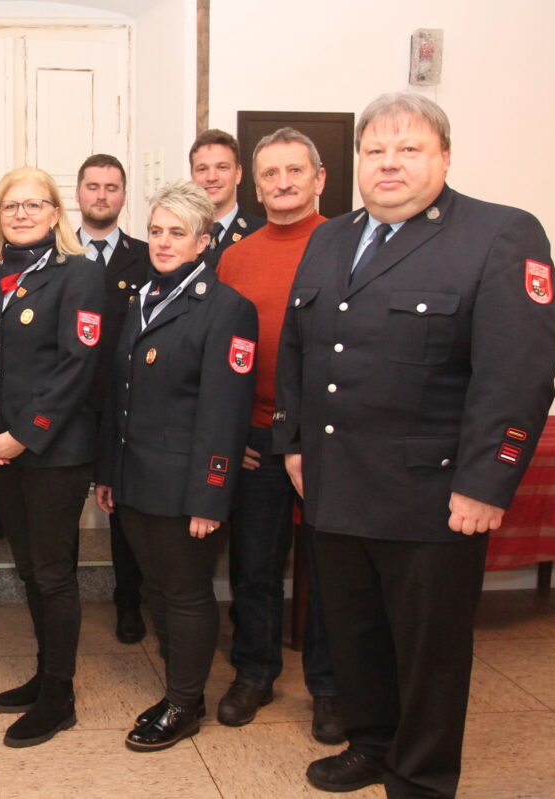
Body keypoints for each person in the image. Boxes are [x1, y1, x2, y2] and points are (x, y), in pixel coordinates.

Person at [273, 93, 555, 797]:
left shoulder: (498, 235)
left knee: (429, 652)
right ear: (358, 163)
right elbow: (300, 350)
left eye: (409, 148)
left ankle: (422, 773)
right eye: (375, 150)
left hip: (433, 496)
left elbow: (517, 377)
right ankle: (372, 743)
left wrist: (487, 482)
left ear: (445, 156)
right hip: (337, 486)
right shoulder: (331, 236)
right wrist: (293, 442)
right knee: (355, 635)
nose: (389, 164)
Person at [95, 181, 257, 751]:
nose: (163, 243)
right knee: (159, 593)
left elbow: (226, 414)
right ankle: (179, 690)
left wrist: (210, 498)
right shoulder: (143, 295)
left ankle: (185, 704)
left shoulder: (227, 309)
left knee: (185, 594)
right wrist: (109, 473)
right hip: (135, 481)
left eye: (177, 234)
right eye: (157, 231)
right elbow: (123, 395)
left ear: (203, 242)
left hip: (184, 487)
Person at [0, 166, 104, 748]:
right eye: (10, 206)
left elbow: (78, 365)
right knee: (27, 569)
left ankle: (60, 696)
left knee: (52, 573)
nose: (21, 214)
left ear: (54, 213)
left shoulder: (80, 275)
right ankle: (47, 675)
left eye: (34, 204)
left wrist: (25, 433)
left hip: (52, 451)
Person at [216, 127, 341, 742]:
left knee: (330, 570)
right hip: (258, 437)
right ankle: (255, 673)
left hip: (326, 440)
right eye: (271, 173)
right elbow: (223, 351)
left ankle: (330, 688)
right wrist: (232, 427)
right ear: (255, 183)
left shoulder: (347, 246)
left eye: (296, 171)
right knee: (255, 565)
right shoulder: (235, 256)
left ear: (320, 179)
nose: (283, 183)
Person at [75, 153, 151, 645]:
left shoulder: (148, 256)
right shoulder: (56, 253)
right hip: (68, 408)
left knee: (123, 512)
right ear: (77, 194)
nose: (102, 195)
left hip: (126, 407)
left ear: (124, 195)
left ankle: (129, 602)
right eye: (93, 186)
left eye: (112, 187)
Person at [189, 129, 264, 269]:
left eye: (222, 167)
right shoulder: (177, 234)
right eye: (202, 169)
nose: (211, 177)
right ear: (192, 176)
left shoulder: (261, 233)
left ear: (238, 174)